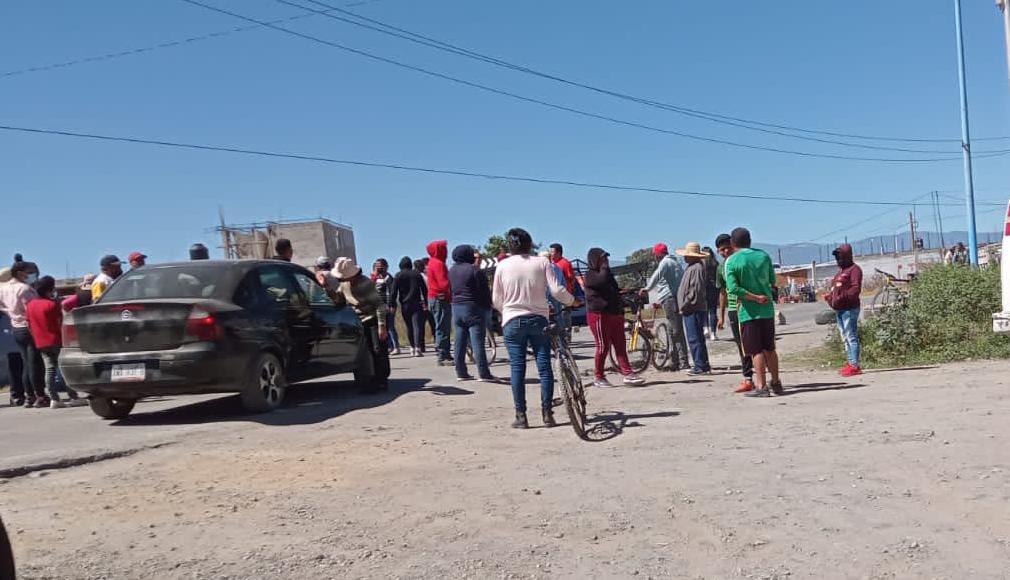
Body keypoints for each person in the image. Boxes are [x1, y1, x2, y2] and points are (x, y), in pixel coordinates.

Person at [493, 227, 576, 429]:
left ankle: (521, 416)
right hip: (539, 318)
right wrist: (572, 301)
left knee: (517, 368)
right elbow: (557, 290)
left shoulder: (502, 266)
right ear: (530, 244)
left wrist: (508, 309)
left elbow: (496, 299)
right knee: (544, 367)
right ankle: (547, 413)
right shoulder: (542, 262)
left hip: (512, 321)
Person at [724, 227, 782, 397]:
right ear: (750, 240)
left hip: (749, 311)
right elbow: (772, 281)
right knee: (770, 348)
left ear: (733, 243)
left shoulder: (733, 261)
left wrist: (753, 297)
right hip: (767, 310)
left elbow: (733, 288)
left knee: (755, 350)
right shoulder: (764, 256)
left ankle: (761, 386)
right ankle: (776, 382)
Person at [317, 259, 390, 392]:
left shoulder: (366, 284)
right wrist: (326, 287)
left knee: (378, 350)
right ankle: (368, 380)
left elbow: (379, 305)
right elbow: (339, 299)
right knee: (364, 352)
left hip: (373, 319)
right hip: (358, 321)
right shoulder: (344, 285)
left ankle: (382, 380)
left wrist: (382, 326)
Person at [584, 248, 645, 387]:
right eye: (603, 258)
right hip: (599, 314)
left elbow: (613, 289)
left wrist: (626, 293)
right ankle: (599, 376)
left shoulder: (607, 274)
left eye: (606, 258)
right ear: (595, 260)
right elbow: (601, 283)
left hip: (615, 313)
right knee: (603, 346)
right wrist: (604, 268)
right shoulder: (590, 275)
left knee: (620, 344)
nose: (606, 261)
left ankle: (628, 373)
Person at [26, 276, 85, 408]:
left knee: (50, 369)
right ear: (50, 289)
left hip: (40, 342)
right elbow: (60, 323)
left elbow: (28, 324)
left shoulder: (30, 305)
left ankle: (54, 399)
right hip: (56, 339)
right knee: (64, 369)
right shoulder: (52, 304)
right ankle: (73, 396)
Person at [449, 244, 499, 382]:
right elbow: (483, 291)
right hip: (473, 308)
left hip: (456, 308)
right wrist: (488, 306)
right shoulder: (474, 270)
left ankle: (461, 372)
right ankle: (483, 373)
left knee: (459, 342)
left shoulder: (451, 270)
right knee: (478, 342)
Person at [715, 234, 755, 393]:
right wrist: (721, 316)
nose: (725, 252)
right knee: (742, 346)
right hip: (733, 310)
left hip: (750, 307)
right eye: (721, 250)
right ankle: (748, 378)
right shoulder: (721, 268)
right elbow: (723, 292)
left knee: (756, 344)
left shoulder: (744, 261)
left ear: (733, 245)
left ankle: (765, 376)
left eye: (727, 248)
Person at [641, 243, 690, 371]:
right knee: (673, 329)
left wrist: (646, 289)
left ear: (658, 254)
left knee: (675, 331)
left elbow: (656, 276)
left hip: (670, 299)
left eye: (655, 254)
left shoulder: (665, 262)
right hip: (674, 297)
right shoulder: (675, 262)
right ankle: (675, 360)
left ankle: (682, 361)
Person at [0, 261, 41, 407]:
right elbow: (31, 310)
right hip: (24, 327)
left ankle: (23, 395)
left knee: (20, 364)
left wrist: (9, 312)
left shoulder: (3, 290)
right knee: (30, 364)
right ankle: (33, 394)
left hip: (14, 329)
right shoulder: (23, 289)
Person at [825, 243, 864, 377]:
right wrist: (831, 298)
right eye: (837, 257)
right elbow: (835, 289)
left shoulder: (854, 270)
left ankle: (855, 365)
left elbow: (855, 289)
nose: (838, 260)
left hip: (850, 308)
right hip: (840, 309)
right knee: (845, 337)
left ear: (847, 256)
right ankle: (850, 361)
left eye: (840, 256)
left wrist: (842, 297)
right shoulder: (840, 272)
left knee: (851, 335)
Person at [676, 242, 712, 376]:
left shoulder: (696, 268)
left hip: (693, 308)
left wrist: (685, 304)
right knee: (697, 337)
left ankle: (700, 365)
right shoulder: (693, 267)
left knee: (694, 337)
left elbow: (694, 290)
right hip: (693, 307)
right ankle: (703, 364)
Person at [391, 257, 428, 357]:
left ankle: (412, 347)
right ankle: (418, 348)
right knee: (417, 326)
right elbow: (424, 289)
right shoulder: (417, 274)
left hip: (404, 304)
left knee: (409, 326)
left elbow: (393, 292)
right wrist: (426, 301)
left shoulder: (398, 275)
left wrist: (392, 304)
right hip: (416, 302)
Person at [425, 240, 453, 365]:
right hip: (440, 298)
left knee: (441, 325)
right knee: (443, 326)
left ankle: (444, 352)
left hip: (434, 298)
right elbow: (443, 283)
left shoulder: (431, 262)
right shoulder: (438, 264)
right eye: (443, 249)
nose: (446, 252)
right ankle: (443, 354)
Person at [372, 259, 401, 355]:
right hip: (379, 306)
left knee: (390, 326)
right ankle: (389, 346)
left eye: (380, 266)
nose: (378, 268)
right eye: (376, 266)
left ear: (385, 266)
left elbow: (391, 292)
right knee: (383, 326)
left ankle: (396, 346)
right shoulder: (377, 278)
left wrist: (390, 305)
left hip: (388, 305)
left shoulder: (388, 278)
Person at [549, 243, 576, 333]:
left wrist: (568, 291)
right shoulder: (552, 264)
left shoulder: (565, 263)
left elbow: (571, 278)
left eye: (552, 252)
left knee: (564, 314)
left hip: (564, 294)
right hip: (554, 295)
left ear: (558, 253)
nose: (550, 253)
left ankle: (567, 335)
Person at [703, 246, 720, 341]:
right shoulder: (715, 264)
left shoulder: (701, 264)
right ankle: (713, 333)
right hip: (713, 289)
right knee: (713, 311)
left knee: (704, 310)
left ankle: (705, 328)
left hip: (703, 289)